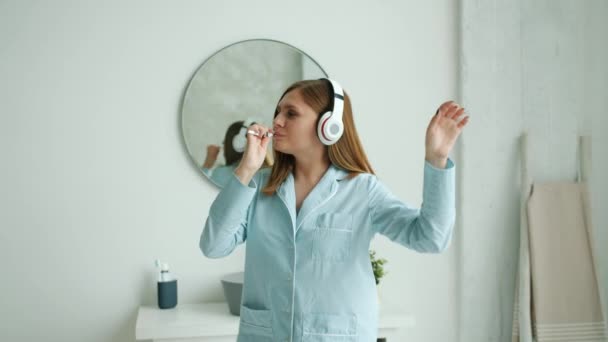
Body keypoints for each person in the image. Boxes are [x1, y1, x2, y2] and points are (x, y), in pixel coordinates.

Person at [200, 78, 469, 342]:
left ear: (329, 126)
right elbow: (213, 246)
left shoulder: (362, 189)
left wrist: (436, 159)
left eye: (291, 113)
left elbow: (431, 238)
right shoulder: (259, 186)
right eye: (277, 112)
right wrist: (246, 169)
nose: (277, 121)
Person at [201, 119, 273, 187]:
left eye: (225, 142)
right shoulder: (268, 174)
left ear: (238, 144)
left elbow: (201, 190)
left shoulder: (221, 173)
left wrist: (207, 163)